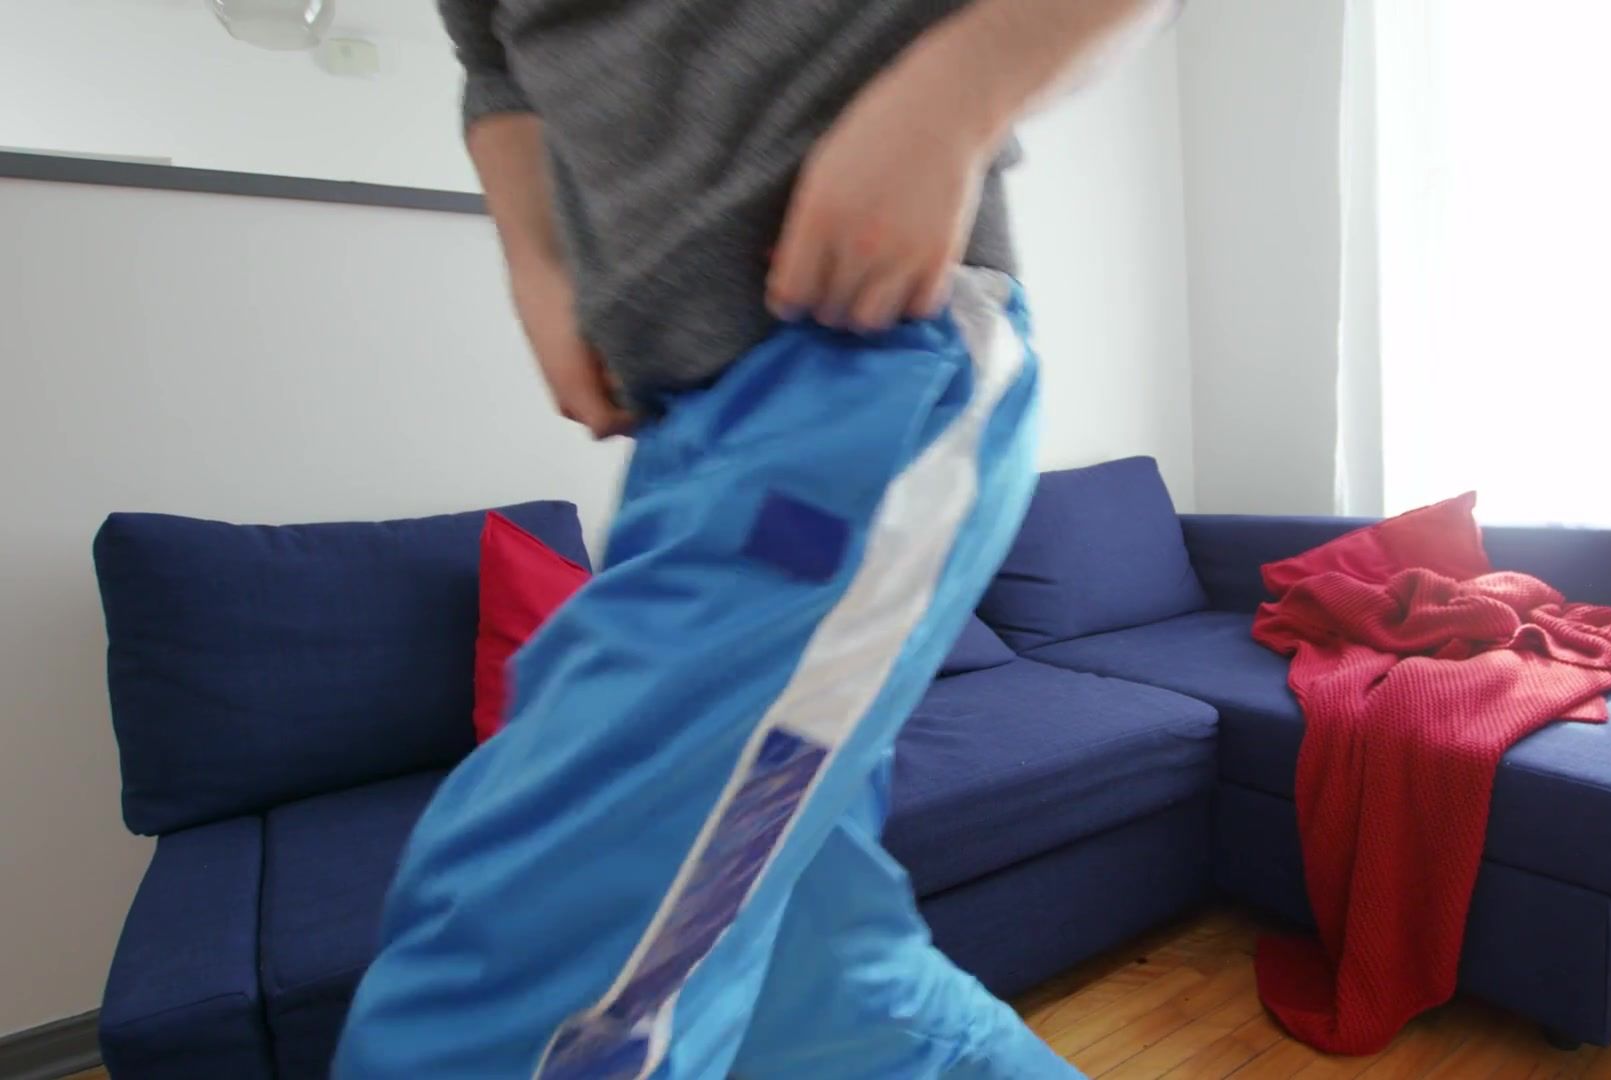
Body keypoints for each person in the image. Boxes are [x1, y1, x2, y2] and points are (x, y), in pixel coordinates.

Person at [333, 1, 1175, 1076]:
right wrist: (540, 269)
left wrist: (950, 101)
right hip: (681, 433)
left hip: (869, 360)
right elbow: (490, 54)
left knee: (512, 986)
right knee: (826, 985)